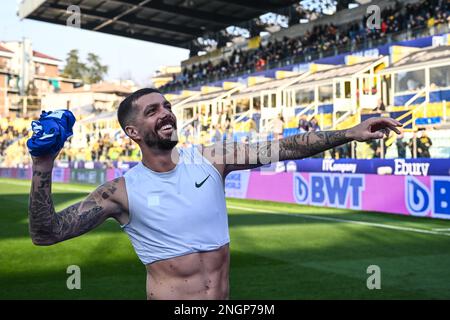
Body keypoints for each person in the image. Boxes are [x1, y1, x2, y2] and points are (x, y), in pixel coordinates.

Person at [28, 88, 402, 300]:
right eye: (153, 110)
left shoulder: (212, 159)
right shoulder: (120, 192)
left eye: (168, 106)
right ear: (133, 132)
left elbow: (283, 148)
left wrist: (349, 133)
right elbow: (46, 234)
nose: (166, 113)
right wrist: (43, 166)